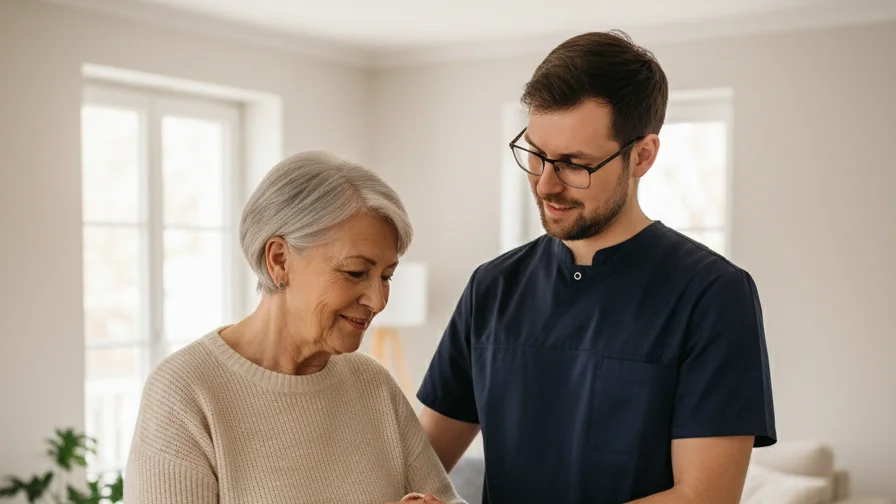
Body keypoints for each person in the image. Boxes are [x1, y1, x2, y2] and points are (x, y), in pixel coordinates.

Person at [417, 31, 776, 503]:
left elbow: (704, 497)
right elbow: (416, 465)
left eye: (572, 164)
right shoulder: (492, 286)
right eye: (536, 155)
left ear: (642, 156)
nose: (545, 185)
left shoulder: (713, 294)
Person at [124, 151, 464, 504]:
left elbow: (444, 499)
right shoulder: (186, 392)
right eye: (355, 272)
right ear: (279, 260)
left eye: (387, 276)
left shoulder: (373, 384)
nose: (378, 301)